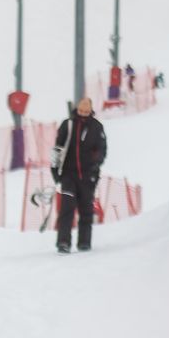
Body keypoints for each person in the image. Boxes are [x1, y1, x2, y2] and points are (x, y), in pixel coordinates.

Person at [51, 96, 107, 254]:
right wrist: (55, 171)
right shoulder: (67, 125)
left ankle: (84, 242)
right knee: (67, 208)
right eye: (81, 110)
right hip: (68, 175)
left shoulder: (96, 127)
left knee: (86, 209)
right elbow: (58, 147)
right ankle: (63, 242)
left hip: (88, 176)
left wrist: (95, 165)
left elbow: (102, 149)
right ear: (77, 109)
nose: (83, 113)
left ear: (90, 110)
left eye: (86, 111)